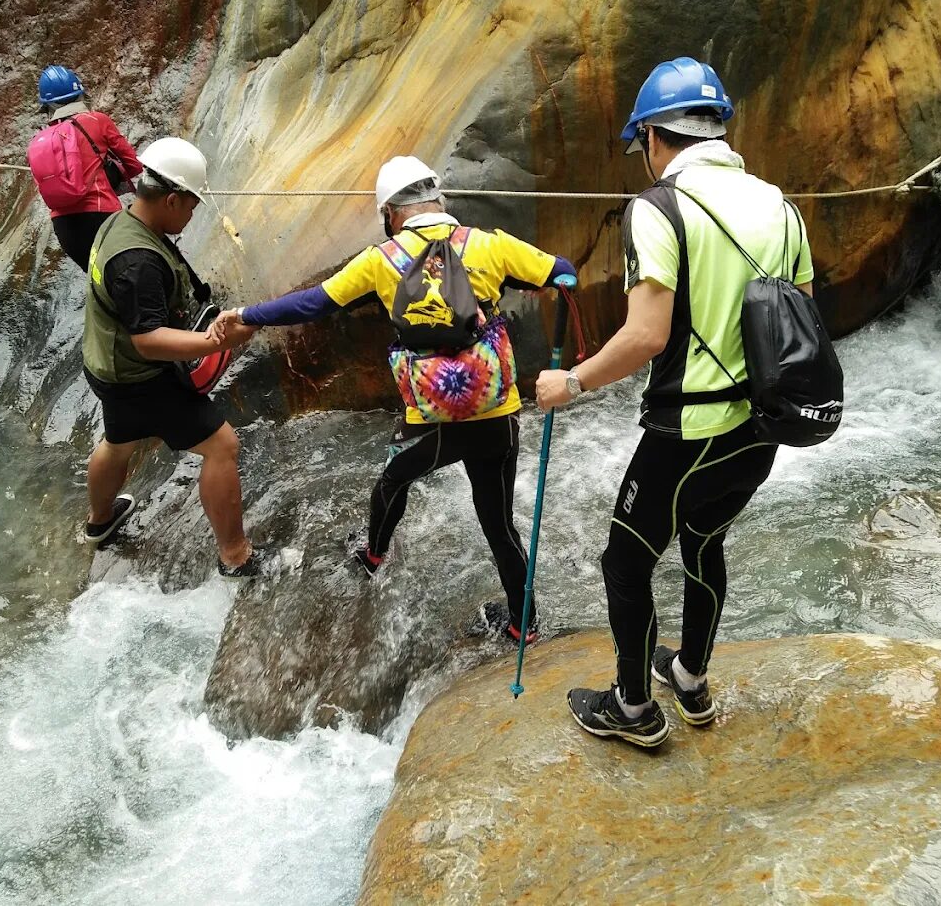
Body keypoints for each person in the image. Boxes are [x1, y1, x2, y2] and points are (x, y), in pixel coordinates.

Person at [535, 57, 815, 747]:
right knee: (704, 540)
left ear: (657, 137)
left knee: (625, 562)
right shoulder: (781, 206)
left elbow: (645, 336)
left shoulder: (656, 209)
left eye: (643, 147)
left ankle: (632, 709)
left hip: (687, 428)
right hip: (764, 424)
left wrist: (570, 383)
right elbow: (803, 316)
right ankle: (689, 677)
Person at [211, 156, 577, 642]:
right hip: (496, 414)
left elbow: (314, 303)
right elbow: (563, 273)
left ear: (390, 213)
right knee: (499, 524)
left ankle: (374, 554)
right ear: (439, 201)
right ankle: (522, 625)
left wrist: (246, 313)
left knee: (391, 481)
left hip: (428, 420)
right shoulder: (490, 245)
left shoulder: (380, 259)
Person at [81, 136, 269, 578]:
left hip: (107, 365)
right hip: (141, 375)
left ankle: (100, 522)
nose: (191, 214)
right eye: (190, 205)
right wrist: (216, 342)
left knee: (118, 440)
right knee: (222, 446)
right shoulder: (138, 260)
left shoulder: (119, 222)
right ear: (169, 198)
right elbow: (148, 340)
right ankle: (236, 556)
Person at [28, 65, 143, 272]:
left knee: (101, 285)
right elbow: (134, 165)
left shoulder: (40, 141)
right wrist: (113, 174)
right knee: (132, 275)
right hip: (102, 217)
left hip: (65, 229)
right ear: (80, 94)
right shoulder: (96, 120)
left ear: (47, 106)